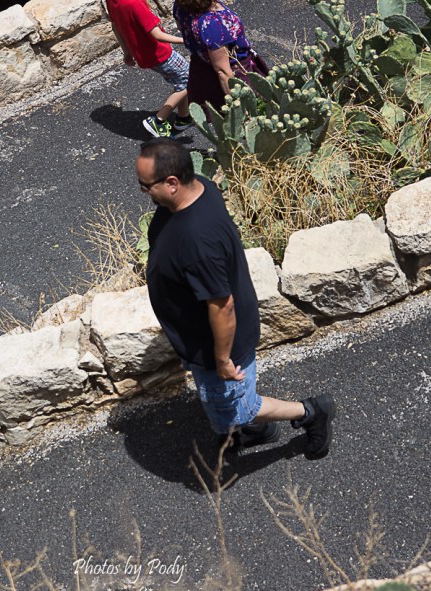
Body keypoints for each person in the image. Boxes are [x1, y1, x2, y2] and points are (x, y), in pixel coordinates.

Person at [137, 138, 336, 456]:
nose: (143, 191)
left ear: (172, 182)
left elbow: (222, 305)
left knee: (237, 407)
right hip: (204, 336)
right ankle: (254, 430)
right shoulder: (200, 187)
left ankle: (311, 412)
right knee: (229, 403)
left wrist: (222, 360)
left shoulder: (196, 242)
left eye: (145, 185)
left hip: (216, 346)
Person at [106, 0, 195, 138]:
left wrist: (127, 52)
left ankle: (184, 118)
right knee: (190, 79)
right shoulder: (134, 3)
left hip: (144, 55)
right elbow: (157, 35)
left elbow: (115, 27)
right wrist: (187, 40)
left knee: (181, 81)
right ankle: (158, 120)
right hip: (160, 53)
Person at [172, 0, 268, 112]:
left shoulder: (181, 6)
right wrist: (239, 109)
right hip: (234, 72)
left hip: (201, 66)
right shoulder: (213, 24)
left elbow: (180, 27)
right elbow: (223, 71)